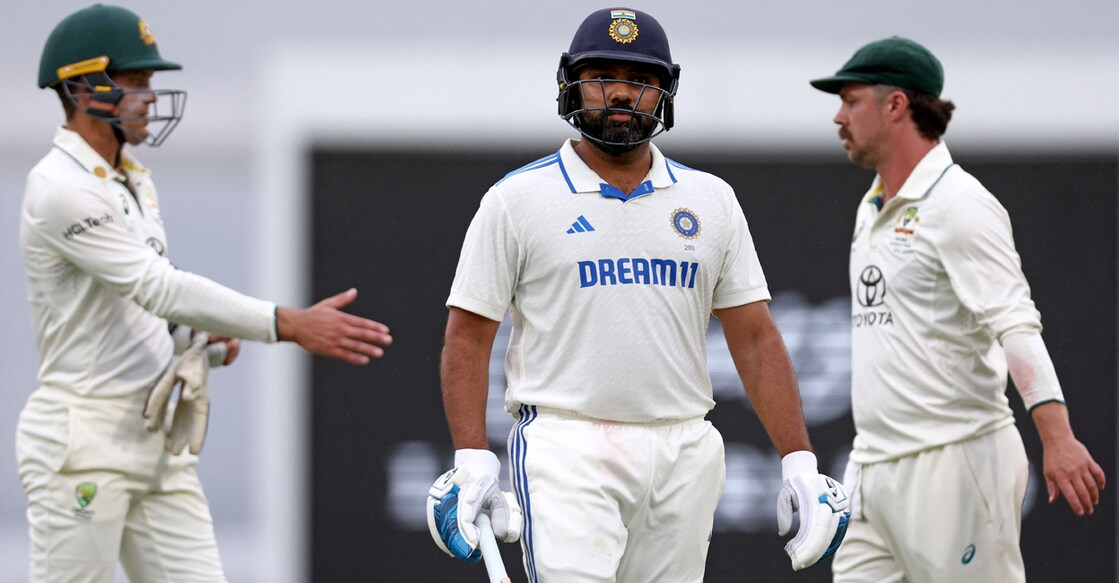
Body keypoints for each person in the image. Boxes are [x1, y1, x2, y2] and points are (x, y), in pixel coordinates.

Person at [425, 7, 849, 581]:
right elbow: (469, 337)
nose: (622, 93)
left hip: (685, 447)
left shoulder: (711, 200)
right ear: (570, 84)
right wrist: (473, 458)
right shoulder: (516, 199)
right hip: (566, 444)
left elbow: (754, 338)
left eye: (641, 80)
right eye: (603, 77)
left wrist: (799, 462)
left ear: (665, 91)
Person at [18, 5, 393, 582]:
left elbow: (132, 301)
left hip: (156, 439)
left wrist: (190, 337)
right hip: (83, 444)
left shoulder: (131, 178)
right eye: (136, 81)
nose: (150, 97)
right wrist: (286, 323)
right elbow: (157, 286)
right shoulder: (59, 188)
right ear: (85, 87)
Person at [809, 36, 1107, 582]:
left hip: (955, 462)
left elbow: (1015, 322)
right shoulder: (872, 205)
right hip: (872, 467)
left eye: (850, 101)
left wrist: (1058, 436)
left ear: (896, 104)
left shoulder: (960, 203)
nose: (838, 117)